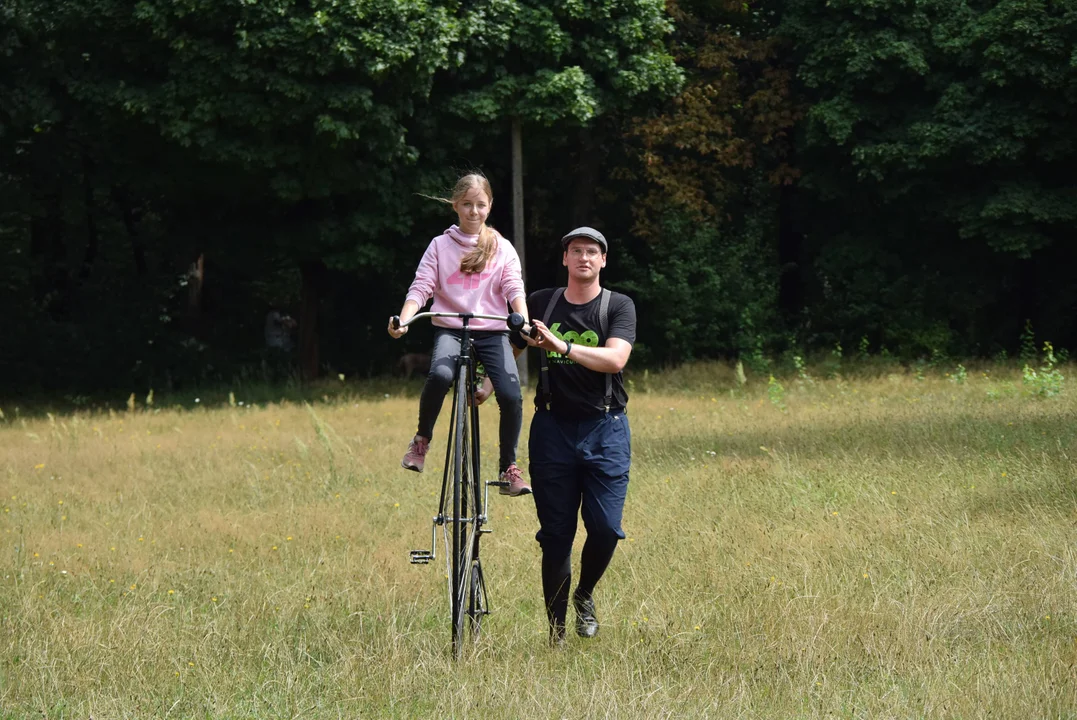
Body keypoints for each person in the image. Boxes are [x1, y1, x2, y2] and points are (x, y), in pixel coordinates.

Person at [510, 226, 637, 645]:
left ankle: (585, 594)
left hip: (606, 427)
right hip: (551, 429)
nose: (584, 257)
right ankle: (556, 634)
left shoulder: (618, 305)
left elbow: (615, 359)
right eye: (576, 251)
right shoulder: (541, 303)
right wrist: (485, 386)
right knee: (556, 536)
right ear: (565, 259)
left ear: (603, 261)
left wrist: (561, 346)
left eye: (592, 252)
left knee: (604, 529)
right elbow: (512, 350)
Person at [387, 173, 532, 496]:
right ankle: (421, 441)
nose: (474, 211)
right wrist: (405, 320)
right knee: (439, 374)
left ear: (490, 206)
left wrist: (522, 320)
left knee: (510, 394)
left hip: (492, 331)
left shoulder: (502, 247)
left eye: (480, 205)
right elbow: (421, 286)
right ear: (455, 206)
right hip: (451, 328)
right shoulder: (440, 246)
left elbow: (513, 287)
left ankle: (508, 468)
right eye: (467, 204)